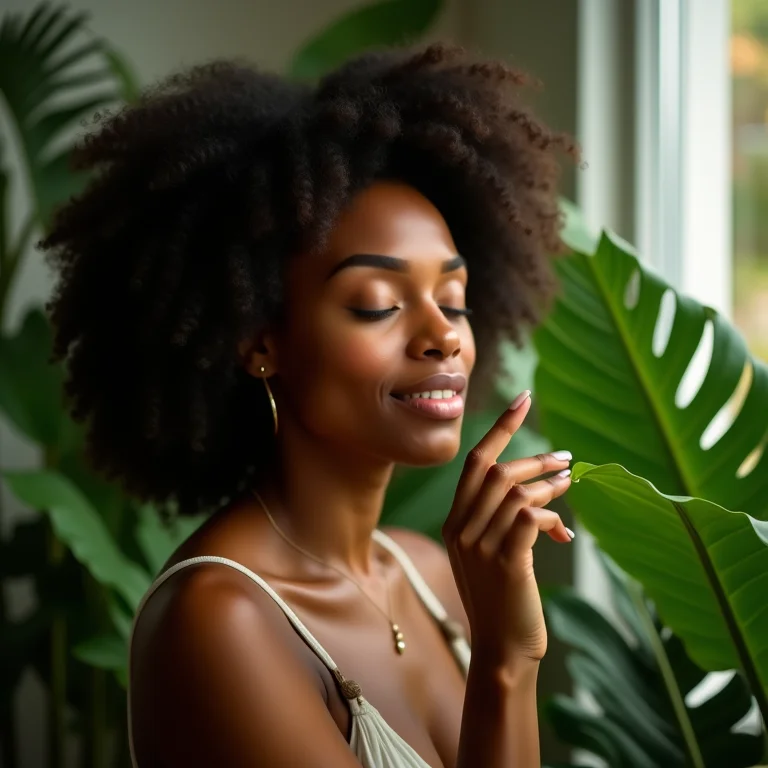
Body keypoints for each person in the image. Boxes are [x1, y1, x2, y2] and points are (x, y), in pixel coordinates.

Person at [40, 42, 579, 767]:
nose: (443, 336)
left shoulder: (436, 575)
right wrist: (507, 663)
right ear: (260, 342)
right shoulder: (217, 622)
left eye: (454, 299)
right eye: (377, 305)